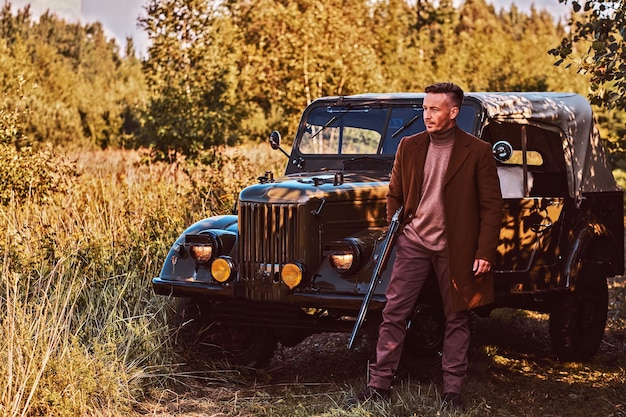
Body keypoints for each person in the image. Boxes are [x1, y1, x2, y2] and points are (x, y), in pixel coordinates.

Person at [348, 82, 503, 409]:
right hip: (414, 243)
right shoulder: (410, 146)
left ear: (453, 112)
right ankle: (379, 385)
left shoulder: (477, 151)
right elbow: (395, 194)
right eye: (425, 107)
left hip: (456, 247)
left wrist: (485, 252)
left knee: (457, 316)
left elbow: (492, 206)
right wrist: (398, 226)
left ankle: (453, 392)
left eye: (434, 109)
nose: (426, 114)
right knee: (393, 312)